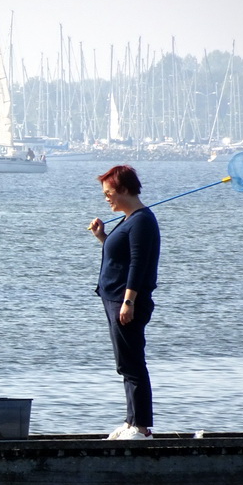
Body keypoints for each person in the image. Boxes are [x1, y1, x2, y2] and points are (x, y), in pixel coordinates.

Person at [88, 165, 161, 440]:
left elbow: (139, 264)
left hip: (125, 302)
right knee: (125, 363)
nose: (106, 198)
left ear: (124, 190)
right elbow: (121, 255)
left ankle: (141, 427)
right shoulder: (130, 219)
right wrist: (102, 238)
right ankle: (131, 422)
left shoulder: (141, 220)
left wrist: (128, 302)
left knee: (132, 363)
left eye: (109, 193)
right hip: (115, 300)